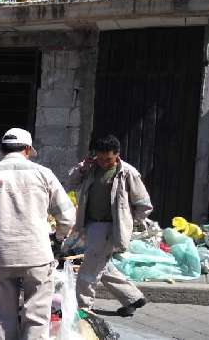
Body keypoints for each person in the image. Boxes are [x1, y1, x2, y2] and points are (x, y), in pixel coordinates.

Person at [0, 128, 75, 340]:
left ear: (2, 149)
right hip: (37, 256)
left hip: (1, 256)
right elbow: (68, 217)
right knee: (37, 316)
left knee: (3, 317)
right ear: (27, 149)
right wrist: (58, 238)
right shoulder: (44, 174)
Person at [68, 134, 152, 316]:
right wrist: (82, 168)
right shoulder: (91, 168)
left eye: (108, 159)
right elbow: (70, 183)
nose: (104, 162)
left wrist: (130, 223)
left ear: (117, 155)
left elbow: (144, 204)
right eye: (100, 158)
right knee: (101, 265)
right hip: (90, 225)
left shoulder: (127, 172)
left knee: (89, 270)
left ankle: (83, 308)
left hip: (109, 227)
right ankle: (133, 298)